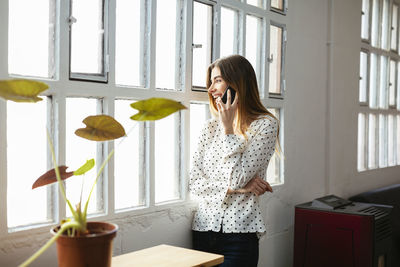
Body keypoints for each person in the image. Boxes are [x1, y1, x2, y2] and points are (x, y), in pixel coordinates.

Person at [189, 54, 279, 267]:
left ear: (238, 82)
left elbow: (237, 177)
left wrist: (228, 130)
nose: (211, 89)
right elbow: (194, 183)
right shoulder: (208, 128)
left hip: (239, 235)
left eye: (217, 80)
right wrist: (237, 190)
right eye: (210, 82)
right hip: (203, 230)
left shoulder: (265, 125)